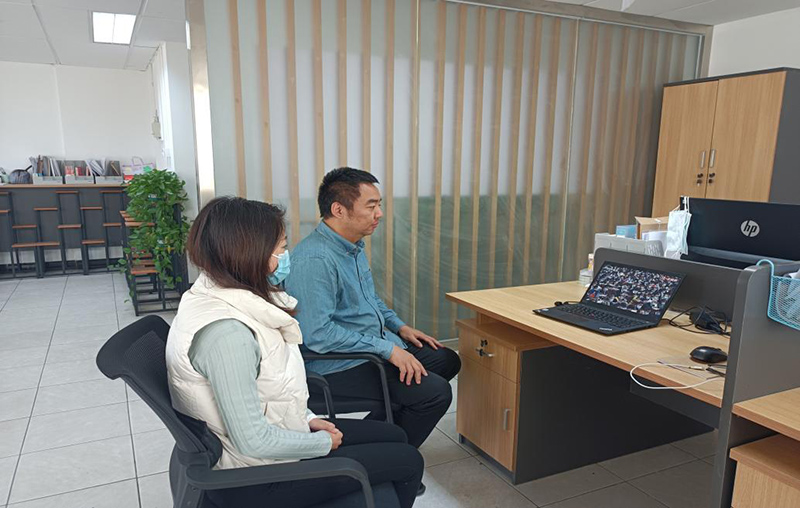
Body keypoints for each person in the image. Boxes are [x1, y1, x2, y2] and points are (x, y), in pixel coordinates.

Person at [166, 197, 423, 508]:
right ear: (250, 254)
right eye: (281, 248)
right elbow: (252, 440)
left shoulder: (217, 292)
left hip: (273, 441)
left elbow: (270, 391)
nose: (286, 256)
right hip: (255, 478)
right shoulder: (228, 336)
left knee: (395, 436)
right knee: (408, 460)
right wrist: (320, 442)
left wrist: (309, 419)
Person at [285, 167, 461, 452]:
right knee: (435, 393)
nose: (379, 214)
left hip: (368, 346)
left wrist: (399, 327)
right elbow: (318, 334)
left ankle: (381, 435)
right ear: (339, 210)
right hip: (338, 363)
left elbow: (369, 300)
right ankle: (395, 457)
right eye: (371, 206)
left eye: (379, 205)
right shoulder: (315, 260)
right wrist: (388, 350)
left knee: (445, 359)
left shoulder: (352, 246)